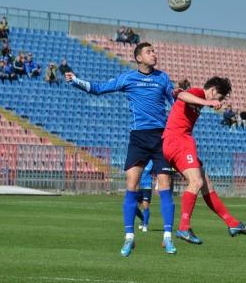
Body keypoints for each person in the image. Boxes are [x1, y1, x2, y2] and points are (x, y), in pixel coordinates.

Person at [65, 42, 177, 257]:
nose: (155, 54)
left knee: (165, 185)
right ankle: (129, 238)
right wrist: (75, 81)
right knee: (132, 184)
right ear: (138, 58)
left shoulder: (163, 78)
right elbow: (98, 89)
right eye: (149, 52)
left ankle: (167, 238)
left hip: (161, 137)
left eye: (154, 51)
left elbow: (175, 104)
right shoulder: (127, 78)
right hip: (139, 138)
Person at [163, 76, 246, 245]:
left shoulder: (198, 100)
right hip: (179, 140)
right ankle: (184, 227)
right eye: (219, 98)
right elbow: (182, 95)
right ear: (213, 90)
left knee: (206, 184)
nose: (219, 102)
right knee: (196, 181)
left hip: (179, 141)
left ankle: (233, 224)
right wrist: (208, 102)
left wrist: (206, 103)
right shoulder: (198, 92)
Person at [136, 160, 154, 232]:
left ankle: (145, 225)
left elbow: (157, 173)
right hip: (137, 187)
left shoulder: (151, 162)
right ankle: (143, 219)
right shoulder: (138, 160)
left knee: (145, 206)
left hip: (147, 186)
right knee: (134, 207)